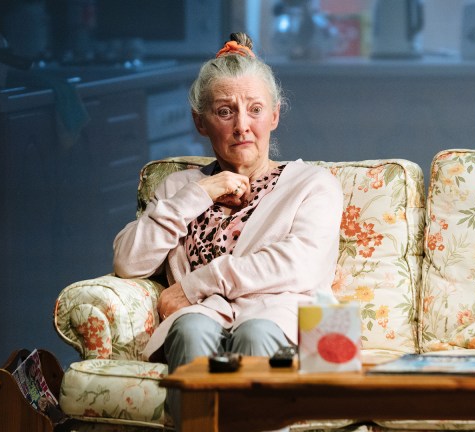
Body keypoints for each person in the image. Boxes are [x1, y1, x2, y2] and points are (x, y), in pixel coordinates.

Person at [112, 32, 343, 428]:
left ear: (274, 115)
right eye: (224, 111)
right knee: (191, 326)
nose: (242, 126)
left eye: (255, 109)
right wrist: (201, 192)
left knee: (256, 332)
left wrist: (194, 285)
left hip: (280, 318)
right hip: (202, 318)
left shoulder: (313, 184)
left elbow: (301, 263)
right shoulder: (178, 188)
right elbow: (128, 261)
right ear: (199, 122)